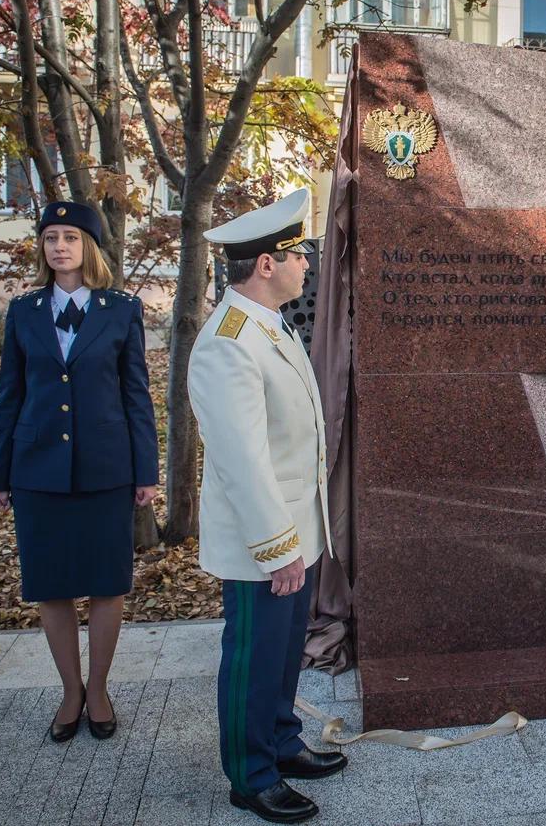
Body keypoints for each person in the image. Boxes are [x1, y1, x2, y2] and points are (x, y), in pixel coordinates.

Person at [188, 189, 343, 825]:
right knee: (253, 656)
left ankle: (279, 740)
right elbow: (242, 462)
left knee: (283, 652)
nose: (308, 265)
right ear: (266, 265)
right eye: (299, 255)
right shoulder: (228, 342)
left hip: (292, 529)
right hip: (264, 539)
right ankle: (250, 775)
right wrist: (278, 549)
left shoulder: (266, 324)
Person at [0, 201, 158, 742]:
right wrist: (0, 474)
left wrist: (146, 471)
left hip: (106, 469)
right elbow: (9, 397)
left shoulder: (122, 310)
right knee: (51, 587)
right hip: (37, 471)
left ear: (90, 246)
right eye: (50, 237)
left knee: (108, 585)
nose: (59, 246)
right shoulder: (24, 310)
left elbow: (137, 396)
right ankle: (70, 691)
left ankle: (101, 689)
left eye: (70, 236)